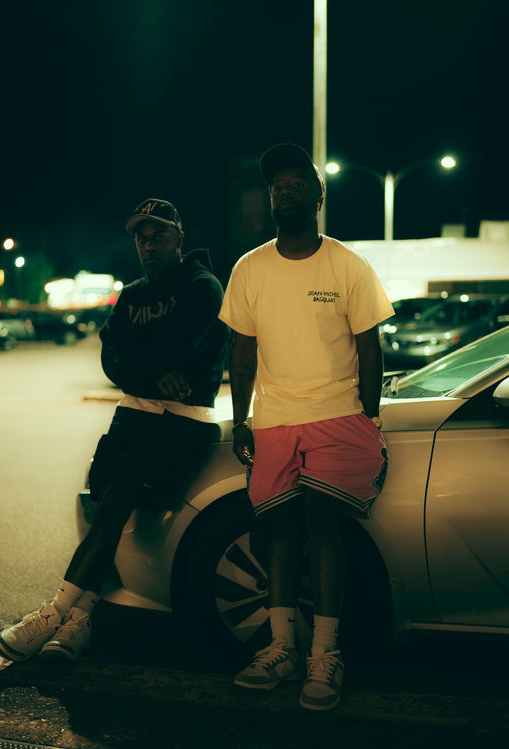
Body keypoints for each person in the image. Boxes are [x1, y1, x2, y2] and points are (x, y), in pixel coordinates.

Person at [0, 198, 229, 662]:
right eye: (141, 238)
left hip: (178, 422)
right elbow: (110, 357)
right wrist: (150, 369)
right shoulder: (133, 294)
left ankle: (53, 613)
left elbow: (178, 350)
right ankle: (79, 623)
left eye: (158, 235)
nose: (148, 245)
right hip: (131, 418)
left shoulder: (203, 287)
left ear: (180, 238)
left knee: (114, 507)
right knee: (106, 512)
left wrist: (140, 360)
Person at [218, 144, 394, 711]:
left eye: (296, 184)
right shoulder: (249, 268)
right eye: (277, 187)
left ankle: (324, 653)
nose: (284, 192)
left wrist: (369, 415)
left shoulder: (346, 265)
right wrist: (241, 419)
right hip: (274, 421)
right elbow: (241, 353)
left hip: (337, 414)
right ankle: (282, 648)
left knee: (323, 524)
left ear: (318, 198)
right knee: (279, 531)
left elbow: (370, 346)